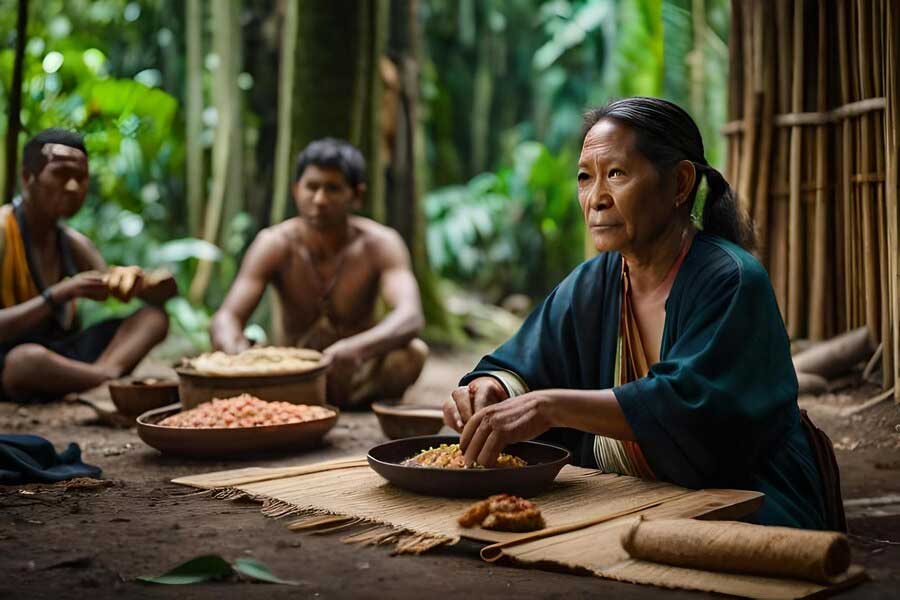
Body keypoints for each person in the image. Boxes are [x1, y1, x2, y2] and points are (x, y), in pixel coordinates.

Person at [445, 97, 834, 530]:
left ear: (681, 183)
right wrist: (492, 389)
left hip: (741, 494)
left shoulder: (732, 280)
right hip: (626, 494)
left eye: (616, 174)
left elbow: (687, 410)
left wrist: (549, 407)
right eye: (584, 178)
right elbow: (521, 363)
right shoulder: (591, 284)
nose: (596, 199)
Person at [210, 138, 427, 408]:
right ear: (295, 190)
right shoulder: (274, 243)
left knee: (412, 354)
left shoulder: (380, 244)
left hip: (355, 377)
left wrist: (356, 350)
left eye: (333, 189)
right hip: (288, 378)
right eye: (312, 187)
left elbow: (410, 316)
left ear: (356, 195)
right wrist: (239, 356)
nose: (320, 199)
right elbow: (226, 317)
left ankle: (348, 405)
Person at [0, 128, 175, 402]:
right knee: (26, 361)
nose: (72, 186)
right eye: (60, 175)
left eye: (80, 178)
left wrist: (140, 282)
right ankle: (105, 380)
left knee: (153, 318)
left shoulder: (72, 242)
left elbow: (126, 289)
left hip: (62, 355)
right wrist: (59, 294)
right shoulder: (2, 230)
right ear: (27, 177)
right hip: (13, 358)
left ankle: (99, 376)